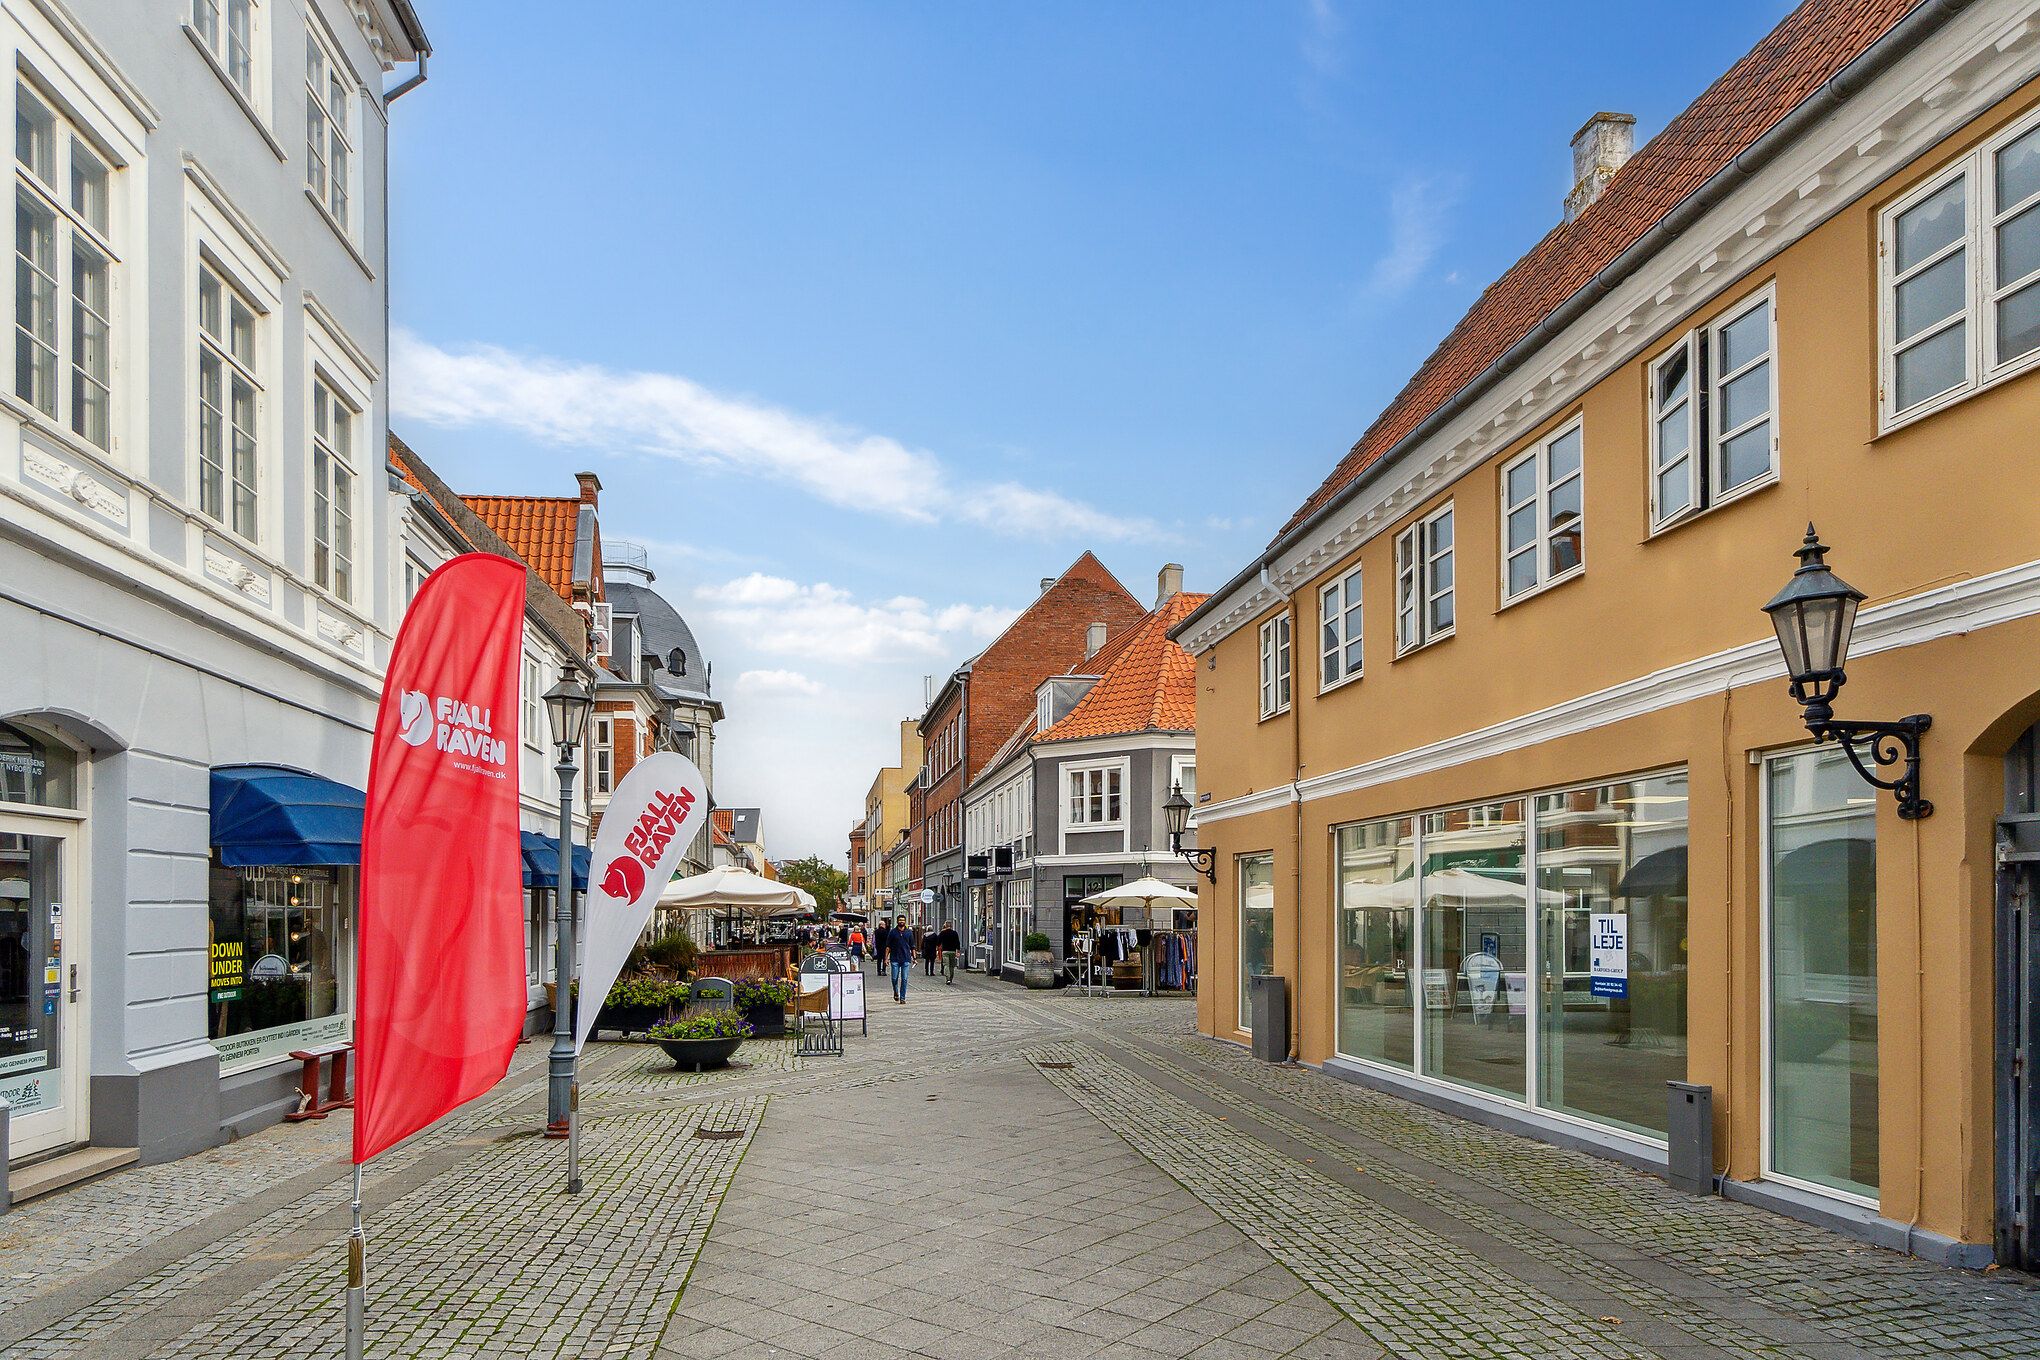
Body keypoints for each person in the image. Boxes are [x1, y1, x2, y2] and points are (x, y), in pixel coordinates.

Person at [887, 917, 913, 1003]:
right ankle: (895, 991)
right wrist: (886, 958)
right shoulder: (892, 932)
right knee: (894, 978)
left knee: (904, 979)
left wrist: (914, 957)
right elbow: (888, 946)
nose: (901, 922)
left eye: (903, 920)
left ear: (905, 921)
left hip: (906, 958)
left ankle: (902, 997)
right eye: (900, 920)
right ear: (897, 921)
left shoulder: (909, 932)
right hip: (895, 958)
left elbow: (912, 946)